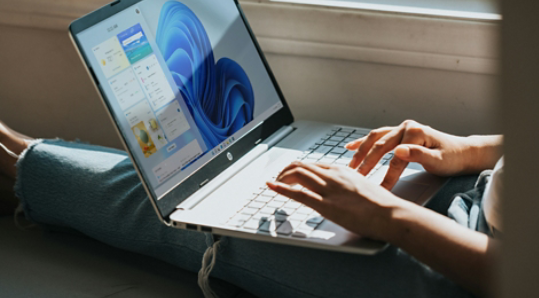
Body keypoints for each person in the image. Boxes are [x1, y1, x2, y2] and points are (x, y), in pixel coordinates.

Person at [0, 119, 502, 298]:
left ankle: (14, 159)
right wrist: (475, 150)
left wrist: (389, 217)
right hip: (474, 194)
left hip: (471, 270)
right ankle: (24, 158)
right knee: (225, 180)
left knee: (195, 209)